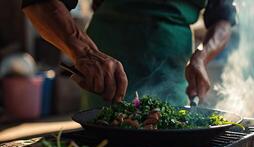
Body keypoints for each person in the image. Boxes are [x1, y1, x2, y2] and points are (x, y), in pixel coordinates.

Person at [22, 0, 237, 107]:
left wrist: (201, 56)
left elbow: (223, 19)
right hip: (106, 62)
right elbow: (39, 3)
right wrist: (86, 53)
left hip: (174, 69)